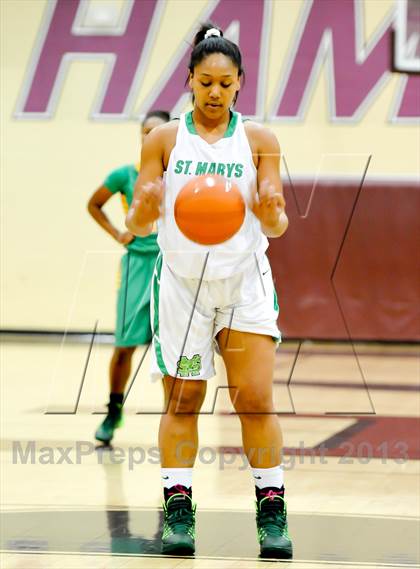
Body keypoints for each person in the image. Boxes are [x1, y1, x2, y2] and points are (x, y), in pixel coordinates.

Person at [126, 23, 292, 559]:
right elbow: (139, 223)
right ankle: (179, 508)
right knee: (184, 398)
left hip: (243, 280)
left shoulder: (261, 139)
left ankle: (271, 510)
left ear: (240, 82)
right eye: (205, 82)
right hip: (182, 284)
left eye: (225, 83)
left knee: (255, 399)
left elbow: (276, 225)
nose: (214, 92)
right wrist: (145, 210)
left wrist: (271, 212)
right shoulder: (165, 140)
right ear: (190, 82)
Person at [87, 110, 170, 445]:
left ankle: (173, 418)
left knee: (173, 352)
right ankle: (113, 411)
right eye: (146, 131)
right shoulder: (124, 175)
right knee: (124, 347)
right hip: (136, 264)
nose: (151, 136)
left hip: (171, 265)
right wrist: (116, 234)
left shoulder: (181, 175)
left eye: (158, 131)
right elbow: (94, 204)